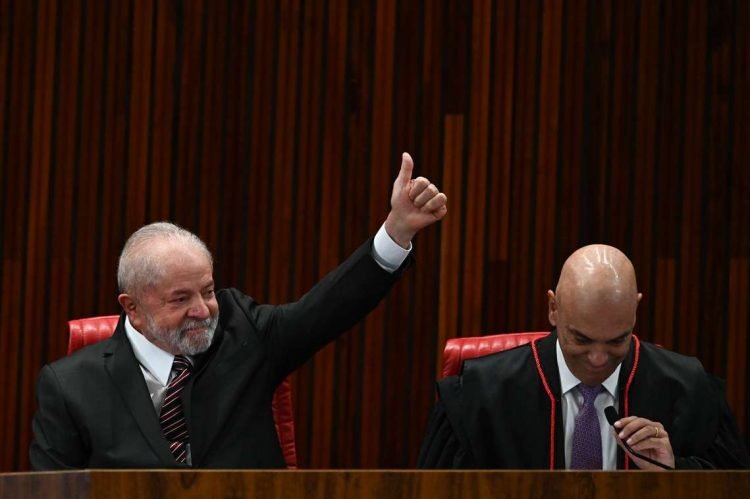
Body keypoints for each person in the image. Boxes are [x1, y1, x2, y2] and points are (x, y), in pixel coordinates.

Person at [30, 153, 447, 469]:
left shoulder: (241, 330)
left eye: (208, 291)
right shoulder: (70, 387)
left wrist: (397, 232)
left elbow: (328, 310)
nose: (202, 310)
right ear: (132, 308)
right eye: (180, 299)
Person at [418, 244, 750, 470]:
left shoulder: (688, 390)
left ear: (635, 310)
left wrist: (674, 471)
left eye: (616, 340)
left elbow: (731, 485)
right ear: (553, 309)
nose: (597, 358)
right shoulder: (480, 395)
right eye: (582, 339)